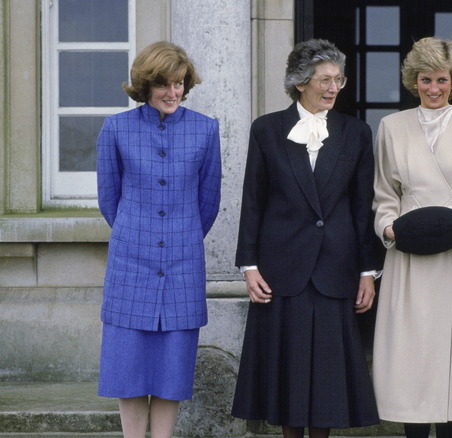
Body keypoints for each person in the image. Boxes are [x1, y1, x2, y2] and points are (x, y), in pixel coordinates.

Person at [231, 39, 381, 438]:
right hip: (282, 270)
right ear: (300, 83)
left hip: (337, 268)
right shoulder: (266, 130)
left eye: (338, 79)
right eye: (325, 80)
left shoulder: (357, 133)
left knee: (327, 378)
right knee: (288, 374)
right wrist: (249, 266)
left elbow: (362, 206)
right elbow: (253, 201)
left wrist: (368, 271)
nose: (333, 88)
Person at [371, 37, 452, 438]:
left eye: (441, 80)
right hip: (408, 251)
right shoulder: (391, 127)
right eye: (425, 79)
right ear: (414, 80)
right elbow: (383, 195)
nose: (433, 88)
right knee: (412, 350)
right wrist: (390, 228)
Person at [96, 41, 221, 438]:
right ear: (145, 86)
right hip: (130, 264)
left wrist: (178, 237)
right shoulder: (115, 128)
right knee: (128, 368)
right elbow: (109, 199)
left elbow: (208, 201)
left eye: (180, 84)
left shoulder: (205, 128)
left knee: (172, 368)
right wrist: (140, 236)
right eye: (164, 85)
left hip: (184, 265)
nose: (173, 93)